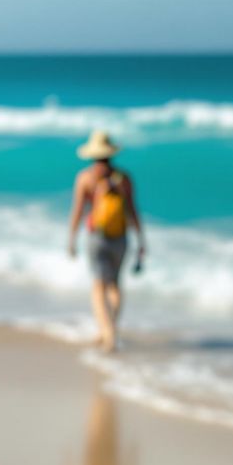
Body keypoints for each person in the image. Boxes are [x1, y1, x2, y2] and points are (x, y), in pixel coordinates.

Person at [67, 130, 145, 351]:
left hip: (96, 237)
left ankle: (107, 332)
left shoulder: (86, 178)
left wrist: (71, 239)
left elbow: (78, 211)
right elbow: (133, 211)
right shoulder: (123, 178)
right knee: (115, 285)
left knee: (98, 285)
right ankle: (110, 329)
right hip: (120, 237)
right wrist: (141, 240)